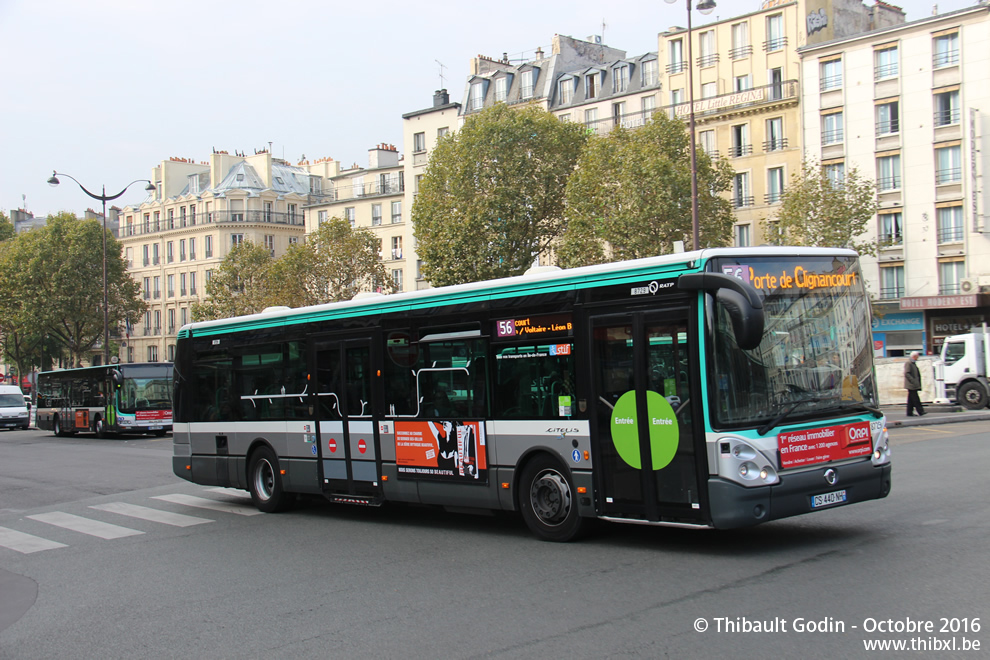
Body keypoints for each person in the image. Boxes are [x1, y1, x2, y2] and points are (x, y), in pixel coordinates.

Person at [904, 351, 926, 416]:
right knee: (916, 399)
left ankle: (909, 412)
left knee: (911, 400)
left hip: (913, 384)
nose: (917, 358)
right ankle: (920, 411)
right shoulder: (909, 363)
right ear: (913, 356)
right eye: (917, 357)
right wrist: (913, 381)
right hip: (911, 385)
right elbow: (907, 373)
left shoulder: (913, 363)